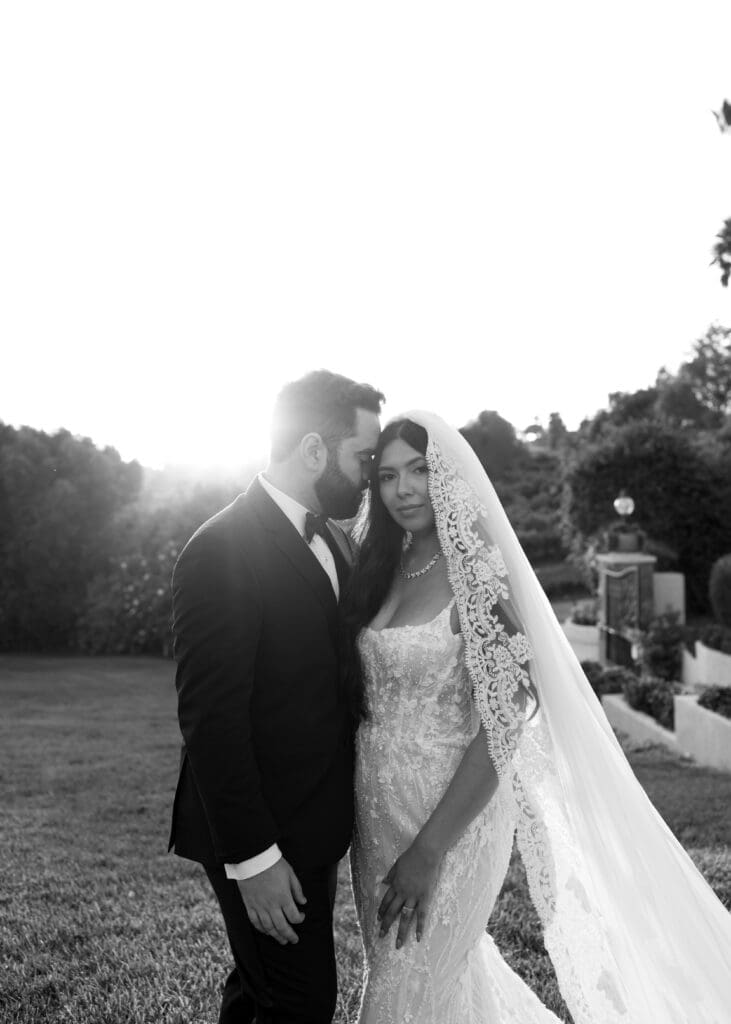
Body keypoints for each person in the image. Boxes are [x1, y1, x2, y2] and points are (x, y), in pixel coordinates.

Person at [344, 412, 731, 1024]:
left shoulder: (477, 576)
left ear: (448, 476)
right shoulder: (378, 566)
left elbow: (504, 721)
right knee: (429, 983)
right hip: (374, 819)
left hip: (449, 822)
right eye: (388, 476)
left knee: (404, 994)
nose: (404, 489)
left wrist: (430, 850)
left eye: (419, 470)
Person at [169, 370, 383, 1024]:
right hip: (263, 836)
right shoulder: (221, 548)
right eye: (363, 456)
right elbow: (211, 719)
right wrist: (254, 859)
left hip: (314, 823)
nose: (369, 477)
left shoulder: (334, 539)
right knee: (299, 1003)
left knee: (258, 989)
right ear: (314, 450)